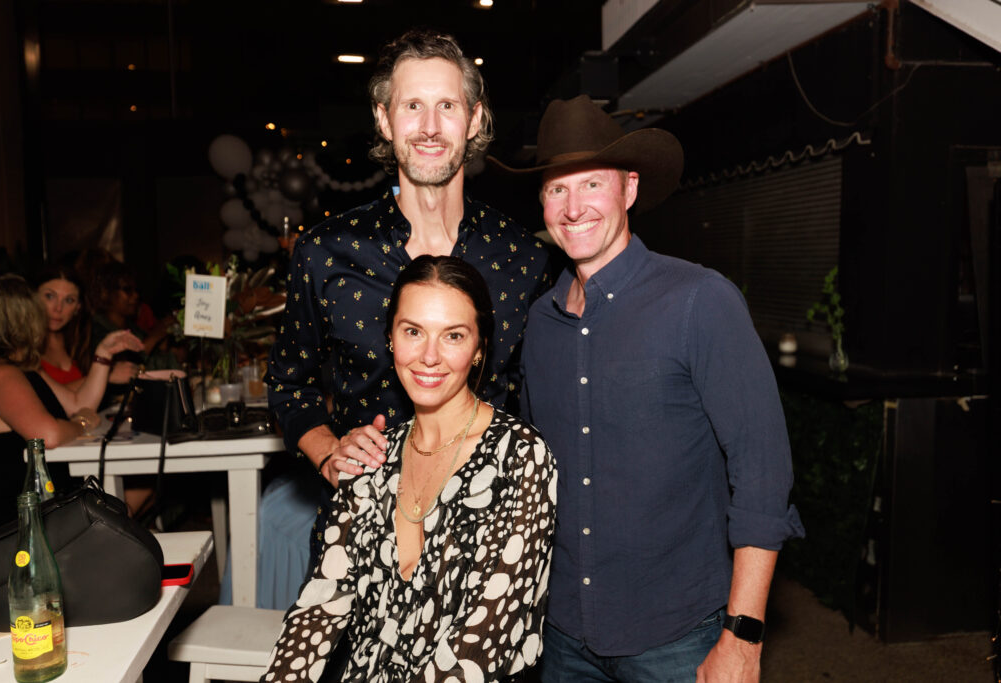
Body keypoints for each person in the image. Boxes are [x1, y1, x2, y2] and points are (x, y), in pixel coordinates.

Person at [491, 95, 805, 681]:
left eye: (592, 185)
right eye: (557, 189)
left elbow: (763, 471)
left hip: (677, 634)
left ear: (629, 190)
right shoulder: (539, 325)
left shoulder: (699, 301)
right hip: (560, 635)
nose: (573, 206)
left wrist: (744, 636)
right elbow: (533, 473)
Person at [262, 28, 549, 604]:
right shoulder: (327, 252)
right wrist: (327, 452)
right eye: (411, 106)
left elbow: (540, 400)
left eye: (447, 106)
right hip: (359, 540)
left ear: (474, 119)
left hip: (487, 547)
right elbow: (287, 384)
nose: (429, 126)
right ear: (385, 120)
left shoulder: (524, 258)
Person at [262, 255, 556, 682]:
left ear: (479, 349)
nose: (429, 356)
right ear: (390, 340)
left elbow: (481, 647)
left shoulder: (521, 458)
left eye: (453, 335)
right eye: (413, 332)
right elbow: (318, 610)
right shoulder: (371, 457)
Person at [0, 276, 107, 534]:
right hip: (9, 526)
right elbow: (48, 435)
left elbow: (73, 401)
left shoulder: (6, 370)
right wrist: (80, 424)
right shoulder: (1, 376)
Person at [33, 263, 142, 391]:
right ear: (33, 297)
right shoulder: (24, 348)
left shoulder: (82, 342)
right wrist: (103, 375)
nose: (58, 308)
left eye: (69, 300)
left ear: (77, 308)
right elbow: (38, 400)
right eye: (50, 296)